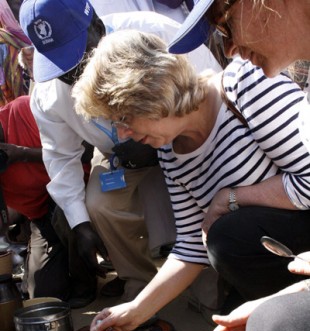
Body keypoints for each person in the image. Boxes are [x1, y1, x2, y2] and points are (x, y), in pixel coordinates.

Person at [71, 29, 310, 331]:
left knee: (227, 237)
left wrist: (231, 197)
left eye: (124, 117)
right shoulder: (169, 152)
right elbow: (192, 244)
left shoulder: (245, 86)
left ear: (152, 92)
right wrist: (136, 310)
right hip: (282, 253)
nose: (123, 133)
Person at [168, 1, 310, 331]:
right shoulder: (170, 155)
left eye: (224, 23)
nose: (228, 48)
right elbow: (192, 241)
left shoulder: (252, 85)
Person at [19, 0, 221, 303]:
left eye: (76, 58)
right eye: (58, 64)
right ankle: (140, 284)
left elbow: (214, 93)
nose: (71, 74)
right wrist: (80, 224)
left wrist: (167, 136)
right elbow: (60, 157)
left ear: (97, 27)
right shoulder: (48, 93)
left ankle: (210, 275)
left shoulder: (157, 33)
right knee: (100, 204)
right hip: (118, 157)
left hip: (189, 141)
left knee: (209, 288)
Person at [0, 95, 97, 306]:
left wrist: (23, 154)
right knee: (45, 297)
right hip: (41, 216)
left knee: (65, 216)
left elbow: (83, 152)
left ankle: (86, 279)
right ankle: (60, 261)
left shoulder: (24, 110)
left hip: (78, 189)